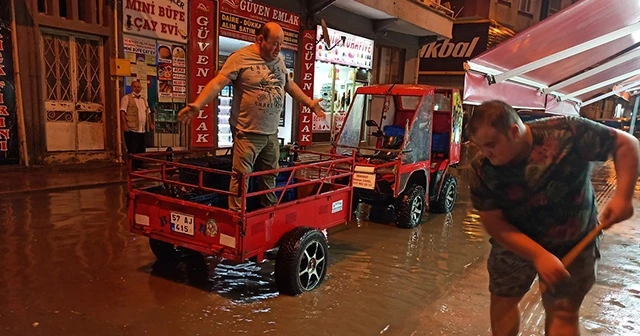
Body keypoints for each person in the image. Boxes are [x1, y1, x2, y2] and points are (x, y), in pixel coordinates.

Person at [467, 100, 639, 336]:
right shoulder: (481, 168)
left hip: (574, 237)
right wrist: (539, 255)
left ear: (514, 131)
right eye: (480, 146)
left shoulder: (568, 132)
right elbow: (493, 222)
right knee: (503, 302)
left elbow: (626, 144)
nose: (486, 153)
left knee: (563, 311)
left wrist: (623, 197)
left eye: (491, 144)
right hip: (514, 240)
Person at [177, 22, 325, 211]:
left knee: (269, 174)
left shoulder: (278, 60)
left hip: (271, 132)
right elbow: (217, 84)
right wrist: (198, 104)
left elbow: (289, 85)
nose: (278, 49)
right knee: (241, 176)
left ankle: (268, 211)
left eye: (281, 44)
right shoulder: (240, 58)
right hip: (247, 132)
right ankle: (237, 213)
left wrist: (309, 102)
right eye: (274, 43)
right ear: (260, 39)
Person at [120, 79, 154, 170]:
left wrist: (150, 123)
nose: (137, 88)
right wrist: (124, 124)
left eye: (138, 87)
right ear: (132, 87)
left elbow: (148, 113)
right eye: (135, 86)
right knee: (132, 149)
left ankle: (140, 166)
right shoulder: (126, 98)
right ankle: (132, 167)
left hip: (142, 128)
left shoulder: (143, 100)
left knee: (141, 149)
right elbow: (123, 112)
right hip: (132, 128)